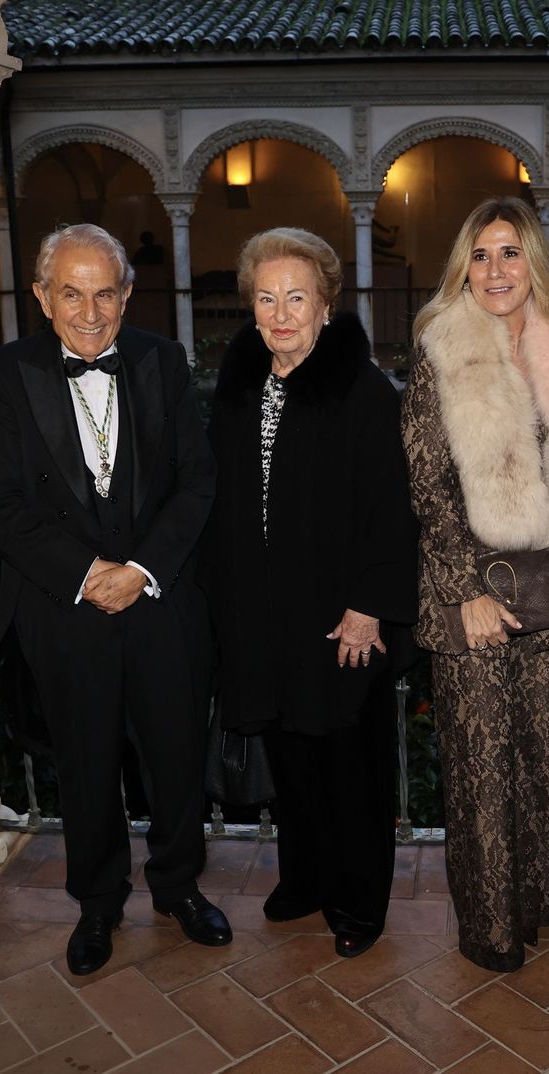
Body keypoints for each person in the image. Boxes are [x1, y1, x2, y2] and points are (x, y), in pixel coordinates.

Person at [0, 223, 227, 976]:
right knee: (85, 764)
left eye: (104, 292)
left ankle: (179, 888)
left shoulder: (163, 361)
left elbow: (196, 480)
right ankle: (99, 903)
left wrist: (140, 567)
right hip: (65, 607)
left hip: (159, 598)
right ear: (43, 297)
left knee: (176, 756)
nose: (89, 310)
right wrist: (86, 573)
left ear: (126, 295)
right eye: (71, 293)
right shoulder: (10, 373)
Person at [201, 228, 417, 959]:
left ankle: (358, 901)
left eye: (297, 297)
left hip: (339, 616)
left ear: (326, 305)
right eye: (266, 297)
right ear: (251, 307)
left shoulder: (361, 390)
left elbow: (391, 509)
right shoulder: (238, 387)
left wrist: (369, 607)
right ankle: (305, 878)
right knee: (292, 755)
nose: (281, 312)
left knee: (349, 762)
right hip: (263, 615)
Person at [402, 197, 549, 971]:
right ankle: (489, 928)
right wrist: (464, 591)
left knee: (547, 755)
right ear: (464, 266)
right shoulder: (441, 346)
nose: (496, 270)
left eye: (511, 253)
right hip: (473, 588)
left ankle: (539, 901)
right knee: (482, 765)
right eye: (481, 255)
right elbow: (427, 483)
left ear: (535, 265)